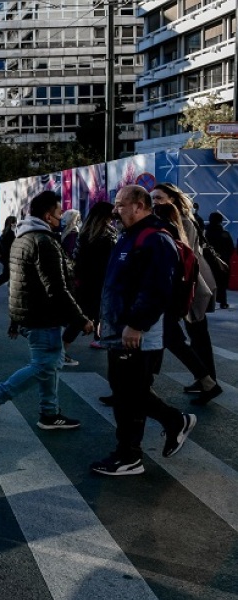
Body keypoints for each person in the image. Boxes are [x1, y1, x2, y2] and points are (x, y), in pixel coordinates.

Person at [89, 185, 196, 476]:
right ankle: (169, 425)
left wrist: (136, 325)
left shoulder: (155, 238)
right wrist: (105, 319)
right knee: (126, 391)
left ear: (139, 206)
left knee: (129, 394)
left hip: (136, 333)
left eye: (121, 204)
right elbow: (117, 284)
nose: (115, 210)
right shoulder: (130, 235)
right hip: (120, 328)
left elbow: (157, 289)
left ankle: (130, 455)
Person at [0, 191, 93, 435]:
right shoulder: (44, 242)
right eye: (59, 213)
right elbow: (56, 288)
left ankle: (49, 413)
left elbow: (18, 283)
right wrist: (80, 319)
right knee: (45, 365)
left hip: (32, 313)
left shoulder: (22, 237)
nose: (61, 218)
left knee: (50, 364)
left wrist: (14, 319)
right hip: (43, 315)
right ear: (48, 216)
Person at [150, 183, 219, 402]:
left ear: (172, 199)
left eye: (159, 198)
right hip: (186, 284)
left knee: (195, 335)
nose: (155, 202)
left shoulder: (183, 222)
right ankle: (206, 380)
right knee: (179, 335)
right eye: (153, 198)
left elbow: (184, 256)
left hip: (193, 285)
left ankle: (208, 381)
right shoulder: (170, 221)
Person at [72, 202, 117, 351]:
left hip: (86, 280)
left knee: (90, 312)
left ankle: (98, 337)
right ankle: (62, 347)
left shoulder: (85, 232)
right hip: (100, 280)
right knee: (89, 313)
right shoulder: (106, 235)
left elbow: (78, 258)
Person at [205, 211, 234, 309]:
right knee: (222, 283)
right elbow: (230, 248)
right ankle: (223, 302)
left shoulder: (204, 233)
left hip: (207, 261)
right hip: (222, 261)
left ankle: (208, 304)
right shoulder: (224, 234)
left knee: (207, 283)